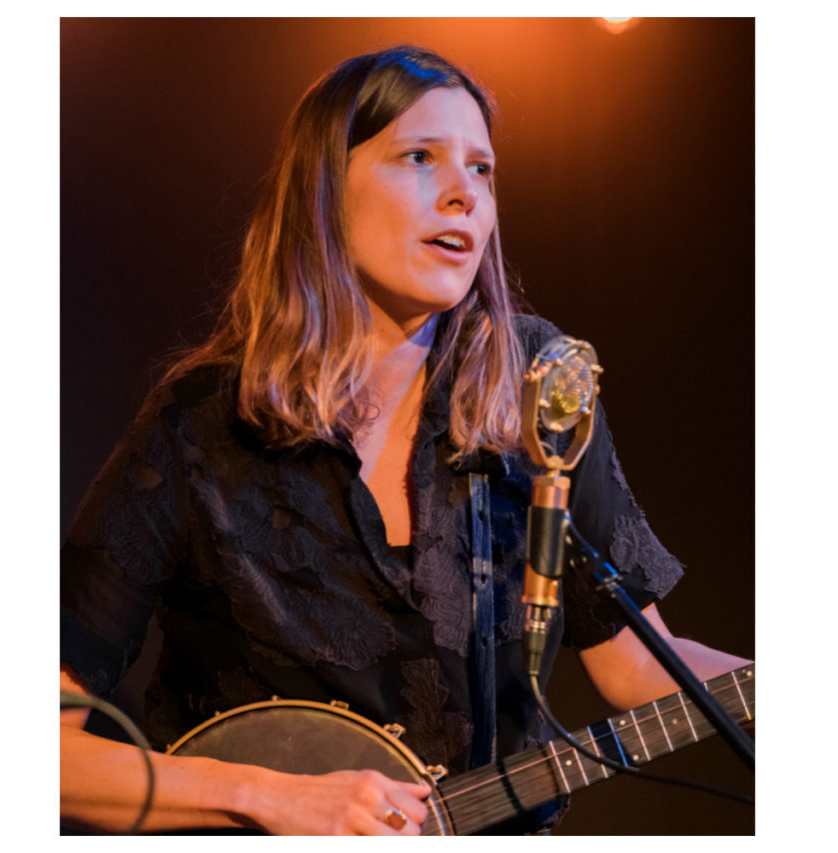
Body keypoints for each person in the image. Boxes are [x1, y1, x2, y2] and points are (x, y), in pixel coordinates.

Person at [56, 46, 750, 835]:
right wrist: (266, 793)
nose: (464, 195)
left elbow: (637, 667)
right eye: (420, 157)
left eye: (483, 171)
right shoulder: (203, 425)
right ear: (323, 191)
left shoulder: (534, 393)